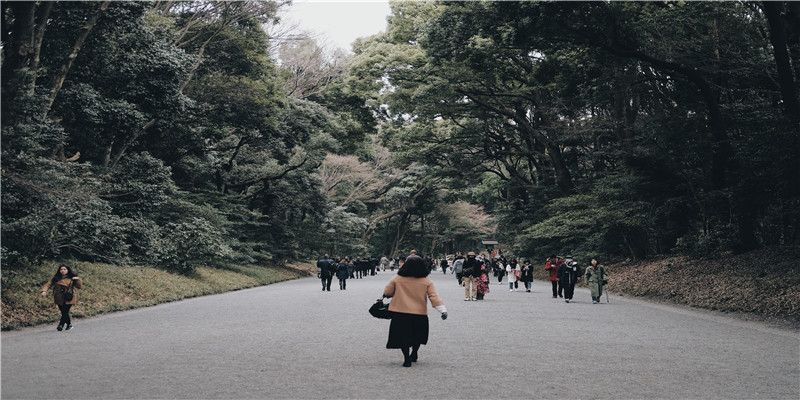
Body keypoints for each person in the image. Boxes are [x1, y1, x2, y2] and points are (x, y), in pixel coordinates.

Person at [383, 251, 447, 367]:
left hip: (400, 312)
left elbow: (388, 292)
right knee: (417, 335)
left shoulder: (397, 278)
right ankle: (415, 353)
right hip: (419, 312)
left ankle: (406, 358)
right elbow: (434, 296)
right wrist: (442, 310)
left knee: (403, 336)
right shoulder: (426, 281)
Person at [40, 265, 83, 331]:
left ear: (68, 270)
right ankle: (69, 325)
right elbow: (48, 284)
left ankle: (61, 325)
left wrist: (77, 280)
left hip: (69, 297)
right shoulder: (56, 278)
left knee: (65, 311)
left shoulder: (72, 278)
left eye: (64, 269)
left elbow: (79, 287)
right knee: (63, 311)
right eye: (61, 269)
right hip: (59, 297)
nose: (62, 271)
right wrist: (44, 291)